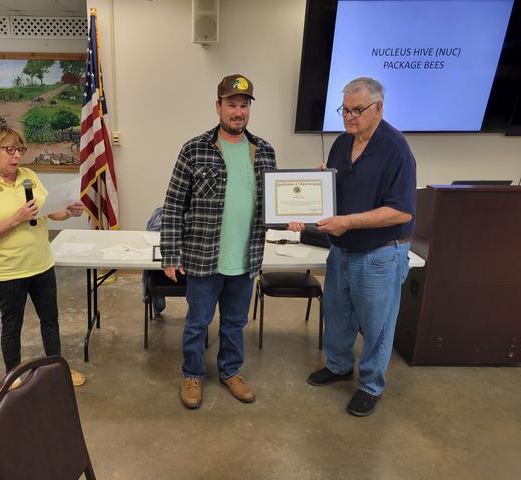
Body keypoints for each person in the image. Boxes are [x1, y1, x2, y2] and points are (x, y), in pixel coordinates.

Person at [289, 77, 416, 416]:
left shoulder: (396, 149)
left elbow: (401, 210)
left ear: (379, 108)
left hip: (379, 254)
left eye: (356, 110)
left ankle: (371, 385)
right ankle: (339, 365)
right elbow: (336, 193)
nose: (348, 117)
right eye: (344, 110)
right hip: (342, 250)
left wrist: (348, 222)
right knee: (337, 314)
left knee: (377, 326)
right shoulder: (342, 143)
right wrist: (317, 192)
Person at [160, 74, 277, 409]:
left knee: (235, 323)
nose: (238, 112)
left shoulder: (264, 151)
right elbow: (173, 204)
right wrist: (170, 254)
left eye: (244, 105)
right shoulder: (195, 149)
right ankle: (192, 374)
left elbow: (273, 204)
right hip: (203, 257)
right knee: (198, 323)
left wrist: (293, 215)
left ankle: (230, 371)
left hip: (246, 257)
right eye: (231, 104)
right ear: (218, 107)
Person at [0, 125, 86, 387]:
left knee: (50, 320)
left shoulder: (29, 176)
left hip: (41, 264)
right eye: (10, 149)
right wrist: (15, 219)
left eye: (20, 149)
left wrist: (67, 211)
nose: (17, 155)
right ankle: (12, 374)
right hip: (7, 271)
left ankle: (56, 369)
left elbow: (49, 211)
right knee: (12, 325)